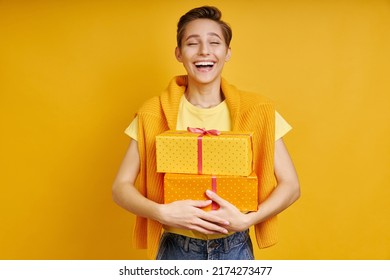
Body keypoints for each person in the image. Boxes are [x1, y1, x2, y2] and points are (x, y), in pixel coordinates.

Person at [112, 6, 300, 260]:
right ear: (179, 53)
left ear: (227, 52)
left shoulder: (258, 111)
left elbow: (291, 186)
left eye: (214, 42)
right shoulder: (153, 113)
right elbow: (120, 187)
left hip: (235, 247)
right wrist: (162, 213)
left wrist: (248, 220)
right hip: (176, 248)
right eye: (192, 43)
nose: (204, 51)